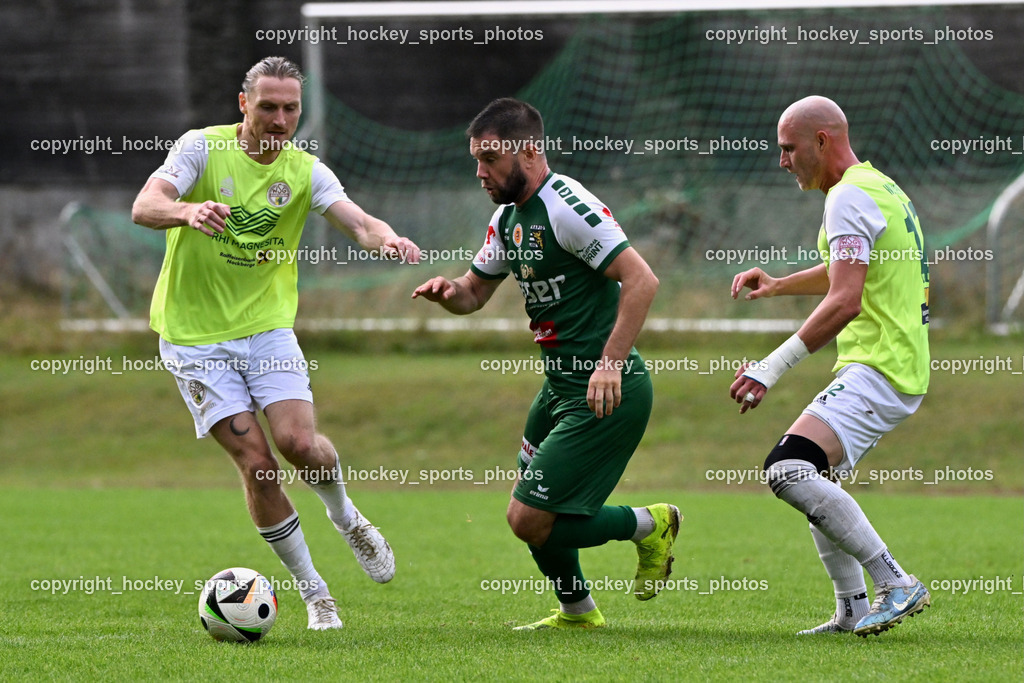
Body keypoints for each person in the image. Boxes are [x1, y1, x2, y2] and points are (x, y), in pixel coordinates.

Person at [131, 56, 421, 630]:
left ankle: (348, 518)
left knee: (297, 443)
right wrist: (187, 210)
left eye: (291, 108)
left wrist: (388, 240)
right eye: (268, 106)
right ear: (244, 104)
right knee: (259, 465)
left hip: (266, 330)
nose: (280, 119)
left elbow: (360, 223)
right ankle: (316, 593)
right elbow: (145, 206)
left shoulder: (306, 171)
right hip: (194, 341)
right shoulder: (201, 149)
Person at [412, 97, 678, 630]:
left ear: (529, 151)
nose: (480, 172)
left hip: (606, 390)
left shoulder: (567, 206)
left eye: (490, 159)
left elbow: (642, 279)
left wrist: (610, 363)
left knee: (528, 519)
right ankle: (577, 612)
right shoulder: (507, 218)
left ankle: (652, 524)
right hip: (557, 389)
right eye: (476, 160)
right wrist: (449, 291)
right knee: (531, 503)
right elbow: (474, 294)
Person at [730, 95, 931, 637]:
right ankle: (851, 610)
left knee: (787, 469)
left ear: (821, 141)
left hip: (880, 365)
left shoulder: (845, 197)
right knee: (819, 479)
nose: (782, 161)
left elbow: (846, 301)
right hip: (896, 362)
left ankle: (895, 582)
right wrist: (779, 285)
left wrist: (768, 368)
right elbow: (848, 268)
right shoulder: (879, 185)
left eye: (788, 148)